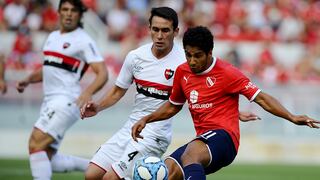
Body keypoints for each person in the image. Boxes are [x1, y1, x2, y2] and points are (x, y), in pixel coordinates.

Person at [80, 7, 259, 180]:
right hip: (132, 126)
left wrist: (233, 113)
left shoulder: (187, 61)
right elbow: (117, 92)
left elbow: (203, 94)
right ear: (149, 28)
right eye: (155, 29)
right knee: (92, 175)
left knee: (111, 178)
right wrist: (98, 106)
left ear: (176, 31)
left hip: (155, 133)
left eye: (165, 30)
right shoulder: (135, 57)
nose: (159, 35)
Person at [131, 26, 320, 180]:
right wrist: (147, 119)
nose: (192, 61)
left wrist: (291, 116)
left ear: (209, 52)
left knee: (191, 154)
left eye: (197, 55)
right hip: (204, 139)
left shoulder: (228, 73)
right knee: (169, 170)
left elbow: (261, 97)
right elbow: (173, 105)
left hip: (226, 138)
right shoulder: (183, 72)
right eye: (188, 55)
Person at [15, 0, 108, 179]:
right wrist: (28, 79)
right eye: (65, 9)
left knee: (35, 143)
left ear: (80, 15)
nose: (69, 13)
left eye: (73, 10)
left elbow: (102, 73)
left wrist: (88, 92)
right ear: (58, 12)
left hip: (66, 101)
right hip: (50, 102)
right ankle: (102, 167)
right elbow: (49, 67)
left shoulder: (84, 40)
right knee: (46, 157)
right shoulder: (52, 37)